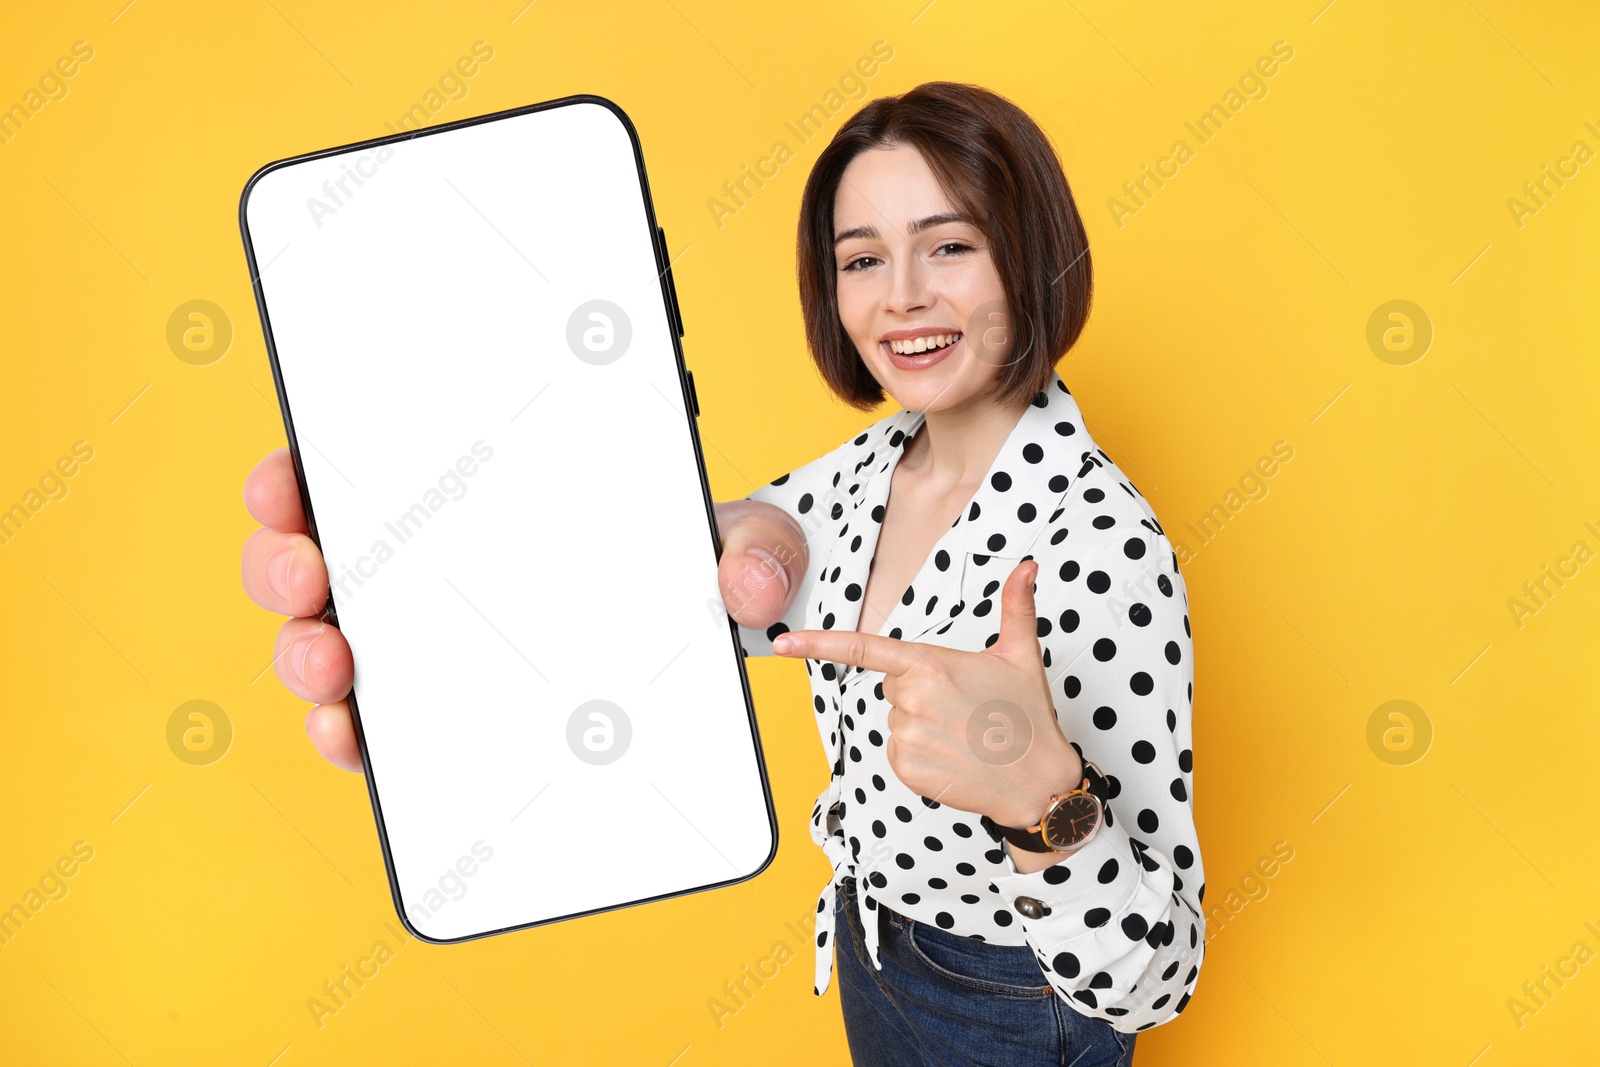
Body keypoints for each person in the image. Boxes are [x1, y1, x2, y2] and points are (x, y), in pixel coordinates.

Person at [241, 80, 1202, 1067]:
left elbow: (1156, 977)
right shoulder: (865, 472)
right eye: (862, 258)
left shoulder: (1102, 550)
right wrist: (418, 554)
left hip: (1015, 991)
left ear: (1031, 255)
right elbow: (669, 591)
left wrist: (1039, 797)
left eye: (949, 244)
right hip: (872, 947)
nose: (902, 293)